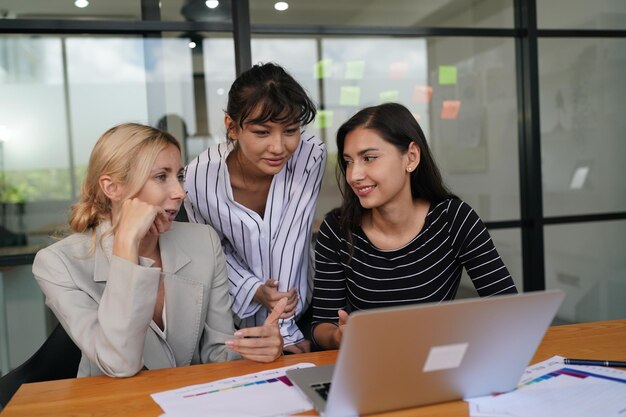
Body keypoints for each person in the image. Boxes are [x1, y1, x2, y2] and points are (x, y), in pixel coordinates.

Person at [32, 123, 285, 378]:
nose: (180, 193)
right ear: (112, 188)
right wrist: (126, 243)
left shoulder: (204, 242)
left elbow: (220, 355)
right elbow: (119, 363)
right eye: (161, 176)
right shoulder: (58, 264)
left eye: (180, 176)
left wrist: (259, 350)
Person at [311, 103, 518, 350]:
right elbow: (322, 324)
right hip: (369, 367)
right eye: (348, 162)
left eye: (369, 158)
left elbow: (508, 309)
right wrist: (338, 337)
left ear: (411, 157)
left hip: (438, 364)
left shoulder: (453, 219)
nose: (354, 175)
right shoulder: (337, 229)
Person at [184, 63, 326, 354]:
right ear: (232, 127)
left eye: (290, 130)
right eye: (262, 132)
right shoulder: (197, 178)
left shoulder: (311, 156)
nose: (279, 147)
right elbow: (214, 250)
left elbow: (293, 238)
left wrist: (284, 332)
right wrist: (254, 290)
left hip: (301, 318)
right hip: (235, 325)